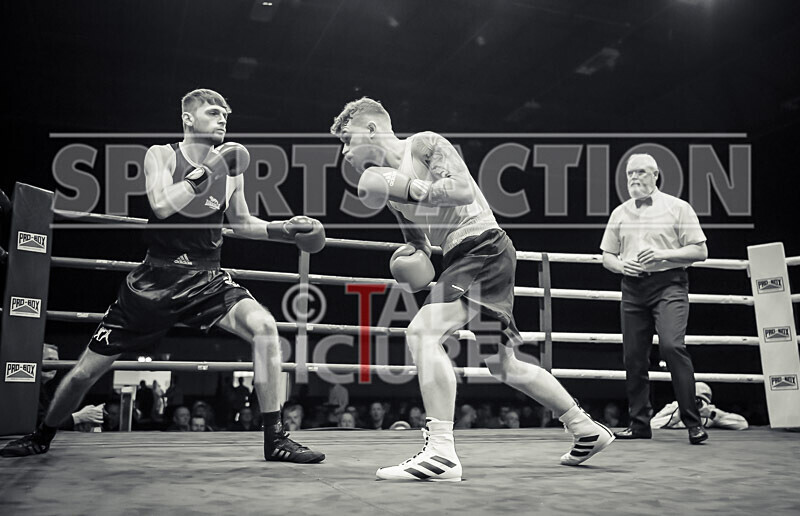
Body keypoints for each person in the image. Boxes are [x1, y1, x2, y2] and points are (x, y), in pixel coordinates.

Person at [1, 89, 325, 463]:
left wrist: (283, 229)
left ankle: (276, 438)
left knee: (266, 328)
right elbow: (161, 205)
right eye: (214, 112)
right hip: (155, 280)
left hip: (207, 278)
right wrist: (206, 173)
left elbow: (241, 221)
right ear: (188, 118)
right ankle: (41, 436)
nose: (223, 120)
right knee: (81, 375)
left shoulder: (233, 170)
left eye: (226, 115)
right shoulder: (162, 154)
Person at [330, 97, 613, 481]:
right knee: (503, 364)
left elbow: (462, 190)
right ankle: (585, 428)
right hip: (464, 256)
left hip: (481, 244)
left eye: (347, 139)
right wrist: (409, 258)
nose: (345, 152)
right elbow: (420, 243)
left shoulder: (424, 144)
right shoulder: (387, 186)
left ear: (372, 128)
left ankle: (442, 452)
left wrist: (409, 187)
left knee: (422, 332)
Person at [600, 153, 709, 445]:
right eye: (629, 174)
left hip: (669, 284)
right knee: (633, 357)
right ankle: (639, 423)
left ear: (656, 174)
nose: (634, 178)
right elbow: (607, 257)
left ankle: (693, 423)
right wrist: (622, 265)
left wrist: (663, 254)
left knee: (673, 346)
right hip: (633, 289)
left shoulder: (678, 208)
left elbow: (700, 251)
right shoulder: (620, 213)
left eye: (640, 172)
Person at [651, 382, 748, 431]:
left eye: (699, 400)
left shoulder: (709, 412)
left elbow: (742, 424)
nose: (696, 403)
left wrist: (712, 415)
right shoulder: (674, 406)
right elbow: (652, 425)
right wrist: (679, 415)